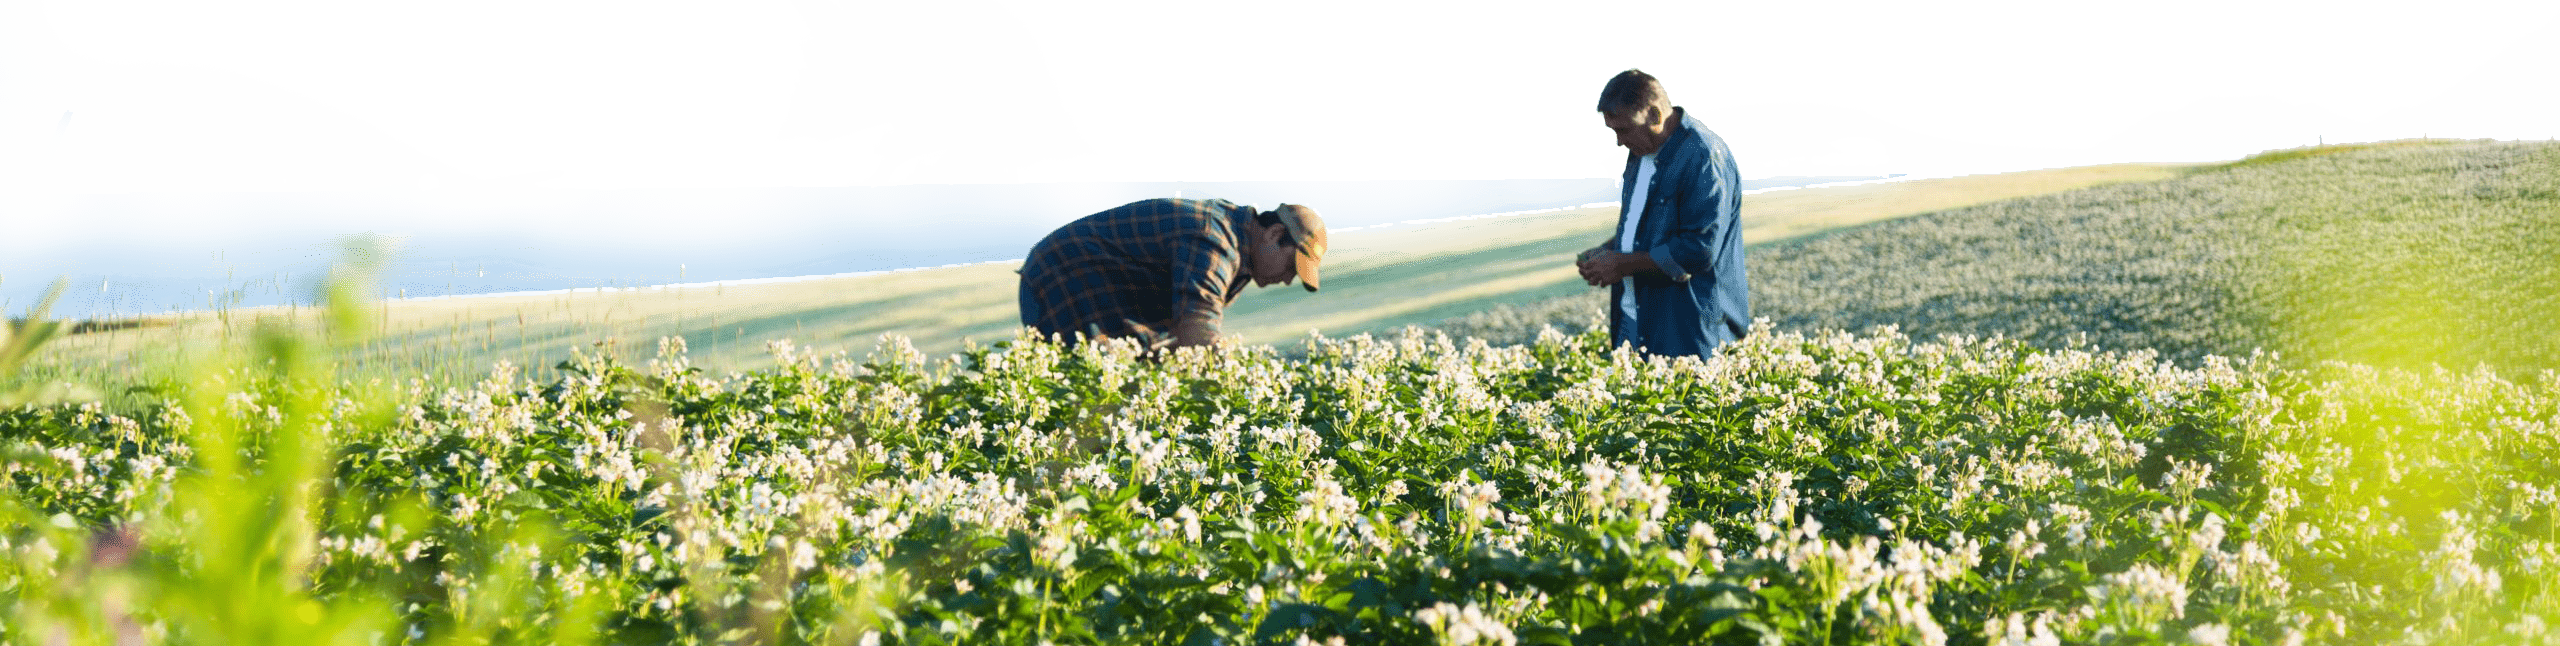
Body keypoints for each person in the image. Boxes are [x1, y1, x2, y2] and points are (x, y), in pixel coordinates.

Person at [1574, 67, 1750, 359]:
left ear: (1654, 115)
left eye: (1624, 129)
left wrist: (1621, 264)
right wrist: (1608, 253)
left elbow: (1699, 250)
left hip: (1690, 333)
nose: (1618, 141)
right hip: (1637, 322)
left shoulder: (1702, 155)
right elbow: (1647, 229)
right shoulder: (1640, 151)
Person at [1017, 197, 1327, 350]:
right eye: (1291, 266)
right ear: (1273, 235)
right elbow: (1196, 326)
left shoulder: (1237, 252)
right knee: (1097, 385)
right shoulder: (1215, 240)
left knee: (1137, 376)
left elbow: (1180, 337)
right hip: (1066, 271)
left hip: (1101, 288)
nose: (1287, 279)